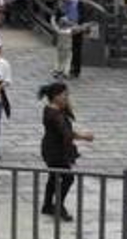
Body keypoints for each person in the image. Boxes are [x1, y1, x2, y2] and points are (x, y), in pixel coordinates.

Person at [40, 83, 95, 222]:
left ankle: (47, 205)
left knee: (53, 176)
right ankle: (58, 206)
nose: (67, 97)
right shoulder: (54, 114)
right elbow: (67, 133)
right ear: (56, 96)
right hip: (55, 152)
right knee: (68, 178)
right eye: (64, 95)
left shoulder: (53, 109)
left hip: (51, 148)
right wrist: (84, 136)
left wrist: (66, 105)